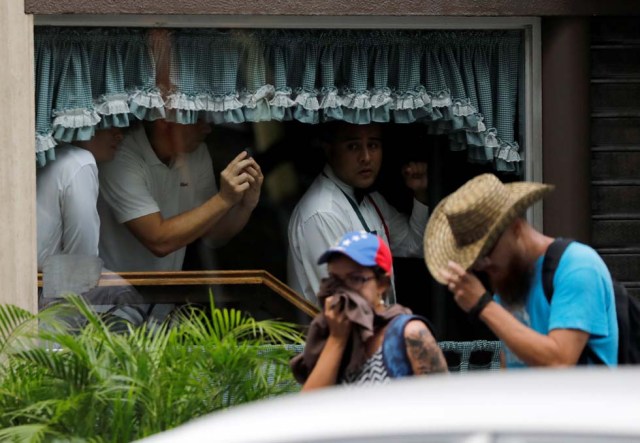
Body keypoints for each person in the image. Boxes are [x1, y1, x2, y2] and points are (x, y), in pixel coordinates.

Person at [424, 173, 618, 368]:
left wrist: (483, 305)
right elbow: (510, 363)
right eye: (474, 262)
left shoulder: (577, 267)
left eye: (487, 252)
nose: (483, 266)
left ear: (516, 229)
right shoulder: (509, 279)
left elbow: (560, 361)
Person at [287, 122, 429, 304]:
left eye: (373, 145)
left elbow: (416, 245)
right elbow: (345, 307)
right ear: (329, 150)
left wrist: (421, 193)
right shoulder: (322, 212)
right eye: (353, 146)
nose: (366, 157)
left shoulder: (371, 199)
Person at [97, 119, 263, 272]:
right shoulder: (120, 155)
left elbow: (213, 235)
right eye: (196, 118)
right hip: (113, 298)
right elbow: (158, 241)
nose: (207, 128)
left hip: (165, 297)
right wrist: (223, 199)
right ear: (165, 121)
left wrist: (245, 205)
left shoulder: (197, 152)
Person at [291, 231, 447, 389]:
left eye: (355, 279)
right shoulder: (333, 333)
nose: (344, 291)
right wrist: (337, 339)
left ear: (382, 284)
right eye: (335, 280)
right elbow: (312, 405)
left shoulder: (408, 334)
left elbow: (442, 403)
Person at [37, 127, 124, 270]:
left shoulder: (47, 158)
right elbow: (81, 261)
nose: (119, 135)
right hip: (45, 285)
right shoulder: (78, 161)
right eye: (107, 124)